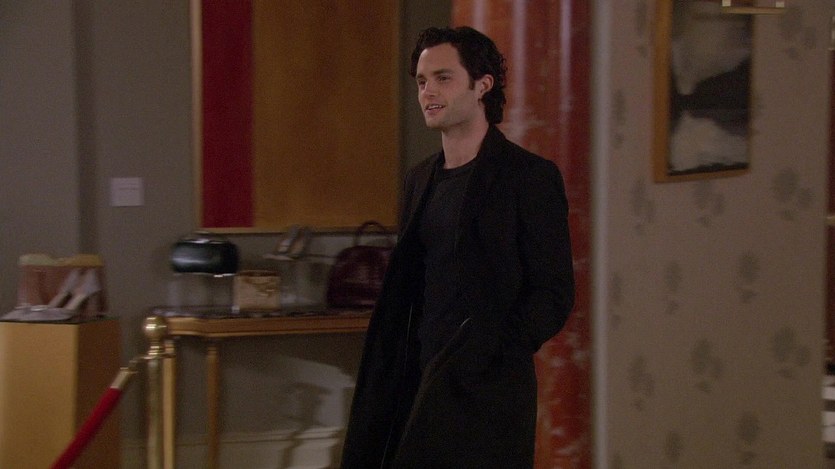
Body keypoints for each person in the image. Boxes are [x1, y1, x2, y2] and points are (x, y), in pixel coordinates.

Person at [339, 26, 575, 469]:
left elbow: (554, 293)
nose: (427, 91)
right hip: (417, 376)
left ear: (482, 85)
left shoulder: (528, 177)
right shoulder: (420, 178)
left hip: (486, 388)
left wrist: (492, 352)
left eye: (443, 78)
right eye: (421, 81)